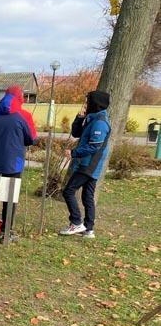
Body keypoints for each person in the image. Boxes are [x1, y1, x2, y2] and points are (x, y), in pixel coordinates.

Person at [0, 86, 36, 239]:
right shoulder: (20, 118)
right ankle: (6, 231)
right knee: (8, 198)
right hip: (13, 164)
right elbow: (30, 139)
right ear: (19, 98)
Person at [59, 90, 111, 239]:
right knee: (87, 196)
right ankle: (89, 229)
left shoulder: (100, 123)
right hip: (88, 164)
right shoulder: (92, 119)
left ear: (95, 104)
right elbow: (76, 134)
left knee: (68, 191)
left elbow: (94, 146)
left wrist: (74, 153)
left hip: (89, 165)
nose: (86, 105)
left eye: (88, 102)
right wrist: (79, 118)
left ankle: (76, 222)